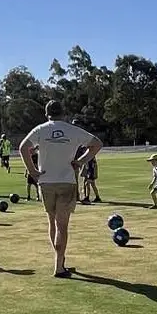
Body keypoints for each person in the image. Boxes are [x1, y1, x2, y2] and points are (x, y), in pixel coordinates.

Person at [19, 101, 102, 278]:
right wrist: (80, 161)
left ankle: (59, 260)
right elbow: (96, 144)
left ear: (46, 113)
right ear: (63, 113)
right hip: (66, 181)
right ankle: (59, 265)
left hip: (46, 181)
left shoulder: (40, 129)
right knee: (62, 225)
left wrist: (33, 171)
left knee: (52, 222)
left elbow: (23, 147)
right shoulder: (73, 130)